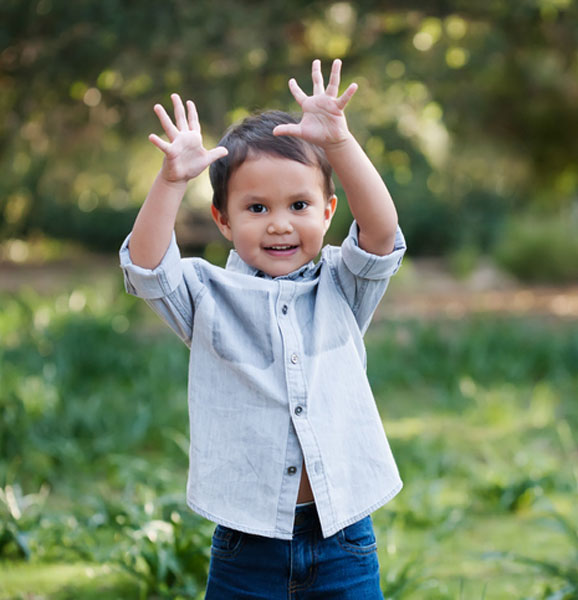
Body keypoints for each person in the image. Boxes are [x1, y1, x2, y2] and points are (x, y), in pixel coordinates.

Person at [120, 58, 406, 599]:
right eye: (256, 207)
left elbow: (382, 232)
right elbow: (146, 267)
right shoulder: (207, 295)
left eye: (299, 205)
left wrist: (341, 145)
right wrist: (170, 180)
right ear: (223, 220)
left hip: (343, 538)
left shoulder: (342, 286)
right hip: (246, 545)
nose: (279, 222)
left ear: (327, 212)